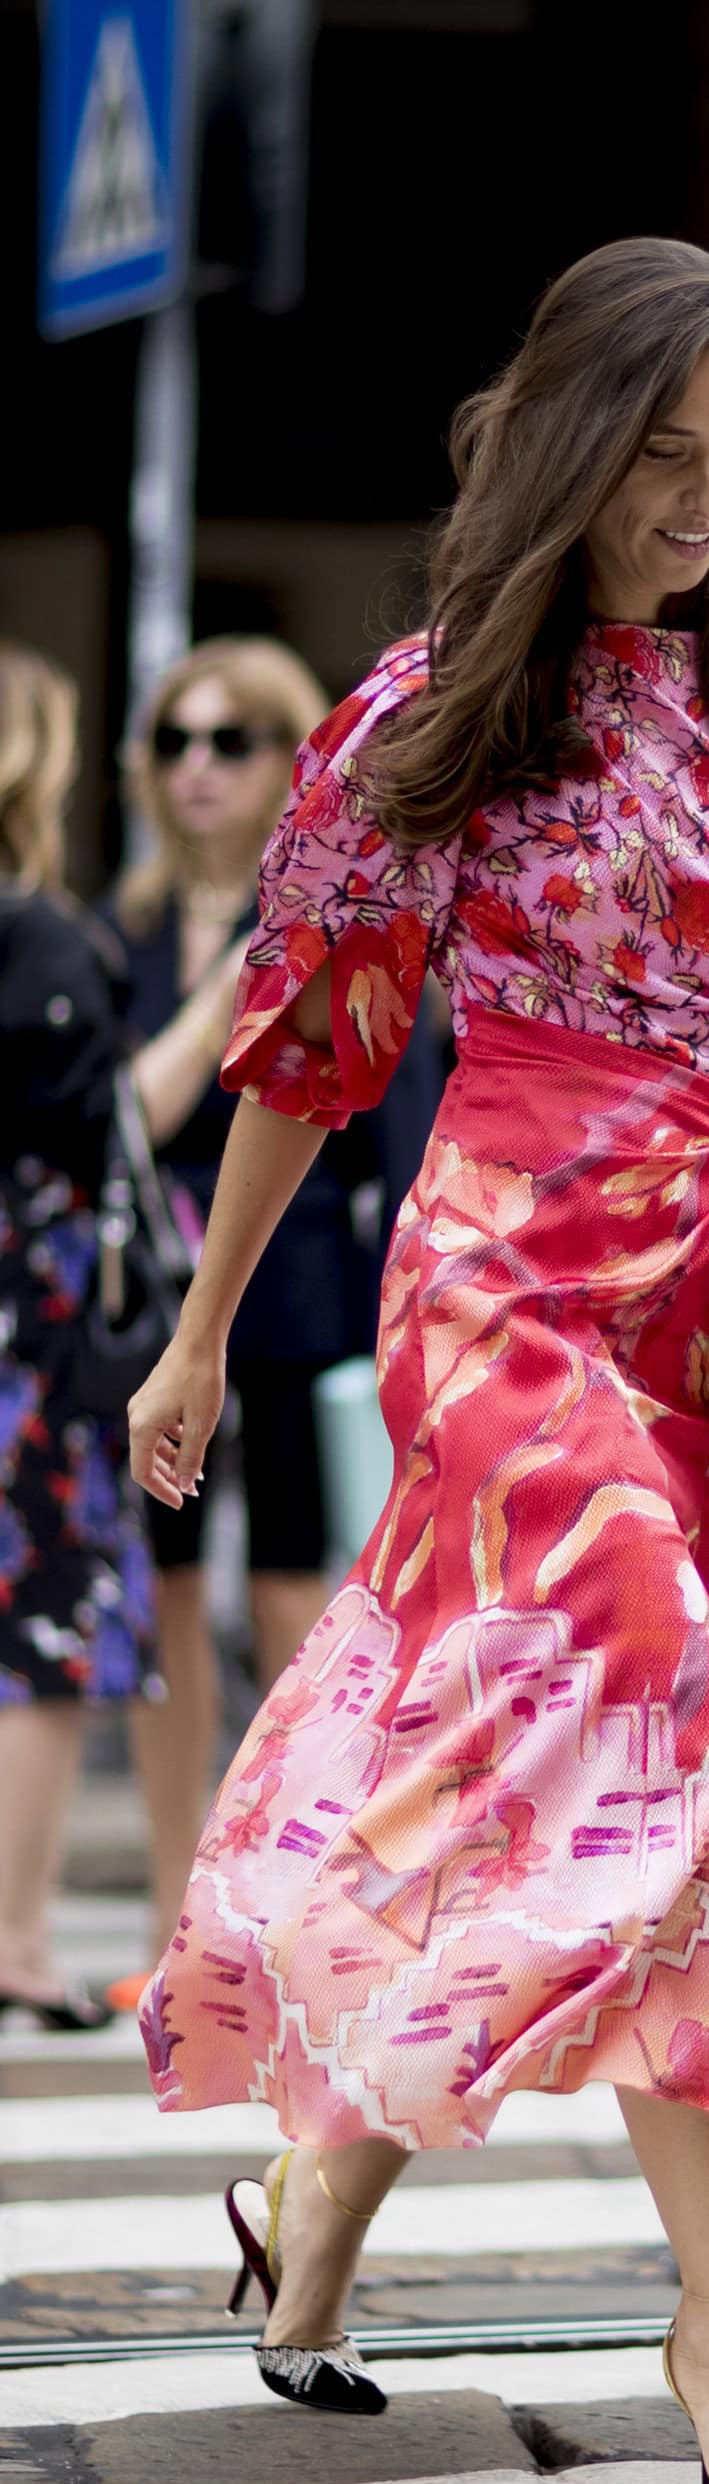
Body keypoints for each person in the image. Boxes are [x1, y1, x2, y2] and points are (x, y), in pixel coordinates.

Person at [126, 238, 709, 2484]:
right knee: (658, 1741)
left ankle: (313, 2222)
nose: (708, 497)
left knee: (512, 1781)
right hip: (498, 1281)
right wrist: (207, 1326)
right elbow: (310, 1050)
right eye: (667, 452)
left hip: (698, 1314)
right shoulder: (436, 709)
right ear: (573, 442)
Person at [103, 638, 442, 2006]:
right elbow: (117, 1116)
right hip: (148, 1303)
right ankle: (178, 1912)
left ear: (288, 758)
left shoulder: (338, 916)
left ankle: (308, 1901)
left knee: (301, 1600)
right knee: (164, 1603)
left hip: (307, 1296)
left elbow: (391, 1128)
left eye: (234, 740)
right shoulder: (119, 932)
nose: (198, 767)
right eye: (176, 739)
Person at [0, 642, 161, 2024]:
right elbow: (104, 1131)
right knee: (43, 1628)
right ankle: (16, 1935)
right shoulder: (40, 936)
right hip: (31, 1334)